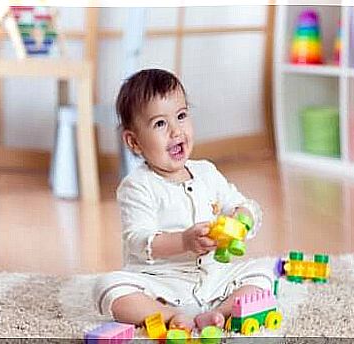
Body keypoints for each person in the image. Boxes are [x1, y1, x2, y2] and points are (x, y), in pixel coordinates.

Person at [93, 68, 274, 333]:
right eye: (160, 124)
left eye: (181, 116)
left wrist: (241, 218)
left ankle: (219, 312)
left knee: (263, 273)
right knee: (108, 287)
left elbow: (242, 204)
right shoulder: (136, 186)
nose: (176, 131)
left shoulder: (206, 172)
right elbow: (138, 240)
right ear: (134, 142)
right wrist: (183, 241)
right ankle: (171, 314)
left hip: (215, 278)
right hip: (161, 285)